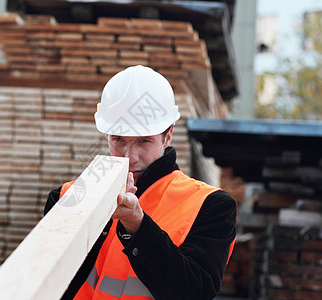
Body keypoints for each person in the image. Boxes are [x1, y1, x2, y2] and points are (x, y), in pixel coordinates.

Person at [44, 65, 236, 299]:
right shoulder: (68, 196)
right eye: (119, 140)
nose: (129, 157)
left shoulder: (209, 205)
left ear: (167, 136)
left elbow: (194, 292)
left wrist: (138, 226)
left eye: (143, 141)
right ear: (107, 136)